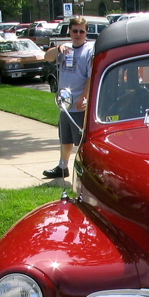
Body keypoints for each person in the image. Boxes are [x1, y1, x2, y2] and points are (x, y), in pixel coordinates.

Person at [42, 16, 94, 179]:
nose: (78, 34)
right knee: (65, 137)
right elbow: (47, 57)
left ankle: (84, 169)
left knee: (81, 139)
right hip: (65, 103)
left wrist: (84, 97)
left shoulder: (89, 50)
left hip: (79, 103)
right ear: (69, 31)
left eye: (81, 31)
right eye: (75, 31)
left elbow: (91, 77)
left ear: (86, 32)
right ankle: (62, 166)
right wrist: (58, 49)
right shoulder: (65, 49)